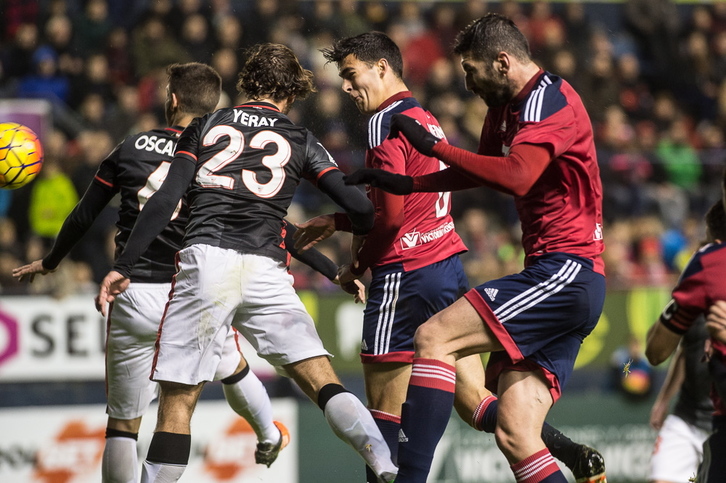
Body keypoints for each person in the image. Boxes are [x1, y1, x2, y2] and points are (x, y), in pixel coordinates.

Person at [293, 31, 605, 483]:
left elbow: (396, 218)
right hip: (453, 264)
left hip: (447, 270)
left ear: (501, 61)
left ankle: (411, 478)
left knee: (421, 361)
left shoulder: (390, 120)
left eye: (470, 70)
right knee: (501, 419)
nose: (466, 82)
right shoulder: (447, 113)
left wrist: (356, 264)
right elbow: (478, 171)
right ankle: (569, 454)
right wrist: (410, 184)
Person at [96, 44, 398, 483]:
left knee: (178, 402)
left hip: (205, 262)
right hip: (266, 268)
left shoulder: (207, 124)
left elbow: (165, 199)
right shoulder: (301, 139)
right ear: (292, 93)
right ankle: (385, 463)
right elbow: (363, 210)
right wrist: (340, 228)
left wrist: (124, 264)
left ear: (246, 84)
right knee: (322, 380)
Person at [12, 62, 297, 482]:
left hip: (133, 289)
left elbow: (83, 215)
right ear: (212, 107)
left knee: (122, 425)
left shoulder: (130, 146)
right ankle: (268, 434)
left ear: (173, 99)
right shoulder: (221, 155)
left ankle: (268, 434)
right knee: (232, 365)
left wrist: (50, 262)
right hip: (191, 290)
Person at [645, 200, 726, 483]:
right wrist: (664, 399)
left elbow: (654, 350)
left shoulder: (709, 267)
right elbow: (668, 350)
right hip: (689, 416)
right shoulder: (697, 289)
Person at [647, 316, 711, 483]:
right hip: (688, 416)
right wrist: (663, 400)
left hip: (721, 424)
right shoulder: (691, 299)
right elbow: (684, 350)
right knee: (661, 479)